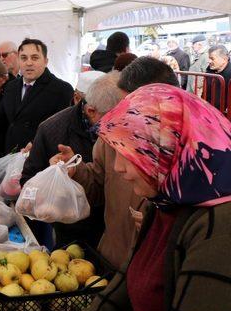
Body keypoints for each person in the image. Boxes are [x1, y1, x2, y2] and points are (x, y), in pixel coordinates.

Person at [63, 84, 231, 311]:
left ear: (167, 148)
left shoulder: (219, 227)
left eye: (130, 154)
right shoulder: (166, 200)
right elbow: (135, 267)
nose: (118, 168)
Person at [51, 57, 180, 269]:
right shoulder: (110, 139)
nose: (122, 115)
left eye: (132, 107)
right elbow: (100, 183)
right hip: (114, 257)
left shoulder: (194, 154)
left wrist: (164, 224)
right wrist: (78, 171)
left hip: (159, 269)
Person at [0, 39, 73, 245]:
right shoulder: (12, 87)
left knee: (40, 216)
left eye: (35, 58)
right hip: (13, 162)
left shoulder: (61, 89)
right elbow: (2, 120)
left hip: (41, 164)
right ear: (18, 61)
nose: (29, 63)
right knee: (17, 215)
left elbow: (62, 129)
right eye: (24, 58)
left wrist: (37, 144)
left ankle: (44, 251)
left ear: (46, 60)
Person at [21, 72, 120, 249]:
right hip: (72, 234)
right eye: (114, 115)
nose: (120, 120)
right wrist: (54, 178)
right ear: (90, 110)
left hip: (114, 229)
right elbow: (28, 181)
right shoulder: (52, 130)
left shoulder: (121, 131)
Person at [204, 44, 231, 112]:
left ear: (224, 59)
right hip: (211, 112)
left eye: (212, 58)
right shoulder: (209, 70)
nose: (209, 61)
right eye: (209, 58)